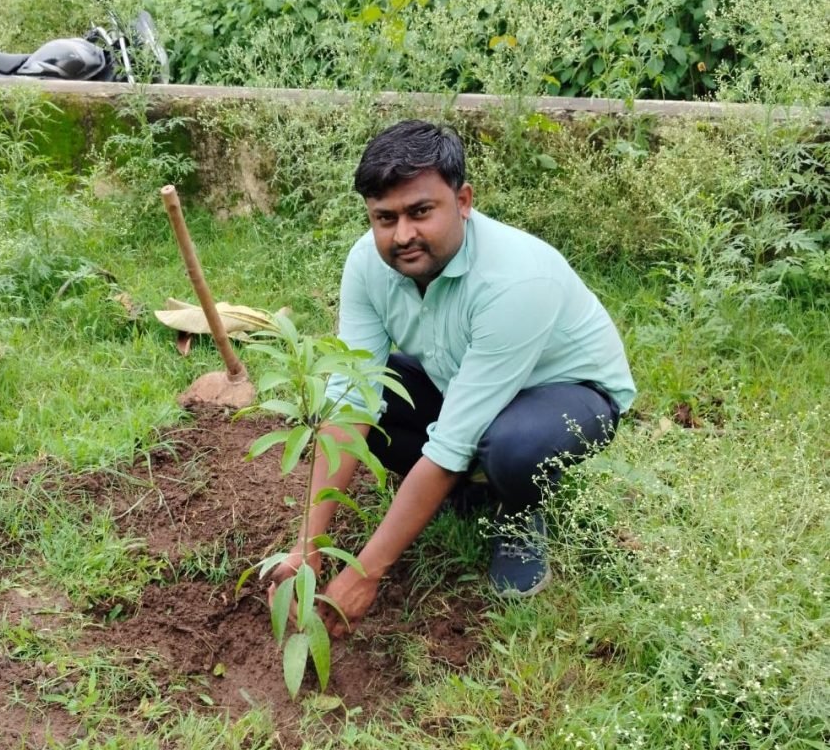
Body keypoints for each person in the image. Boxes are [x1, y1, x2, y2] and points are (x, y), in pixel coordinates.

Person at [271, 120, 636, 639]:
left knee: (509, 446)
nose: (402, 235)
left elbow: (453, 440)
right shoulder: (366, 266)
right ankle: (468, 489)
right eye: (384, 218)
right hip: (462, 382)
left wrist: (365, 572)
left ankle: (517, 512)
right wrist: (307, 545)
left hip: (568, 397)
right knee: (368, 393)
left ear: (462, 201)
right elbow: (351, 400)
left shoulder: (514, 280)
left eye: (421, 212)